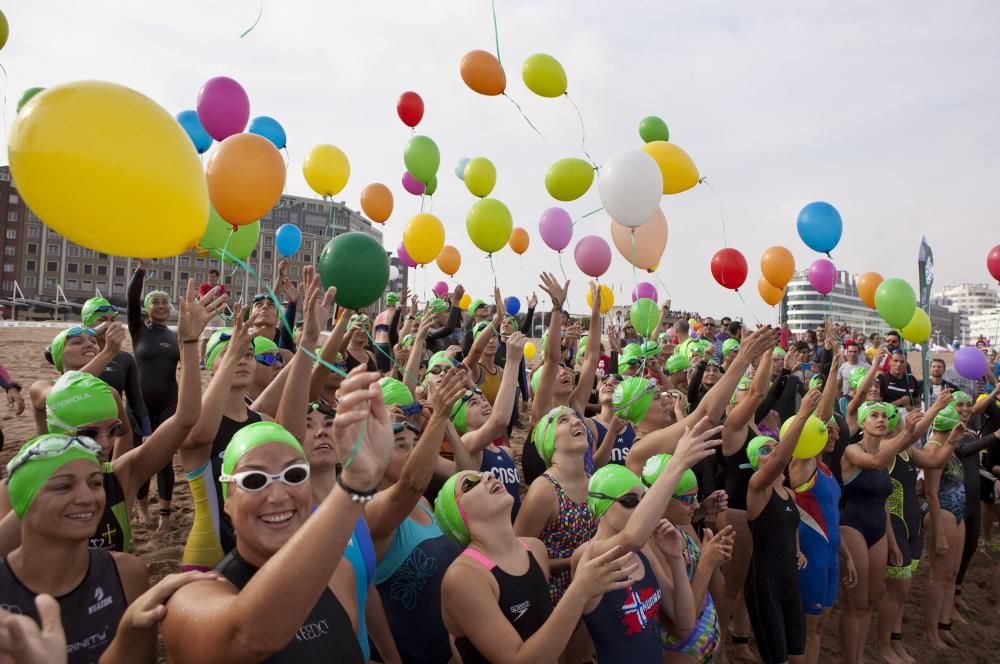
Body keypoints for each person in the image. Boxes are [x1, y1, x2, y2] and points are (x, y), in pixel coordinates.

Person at [162, 364, 396, 663]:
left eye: (294, 475)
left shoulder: (339, 573)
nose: (277, 495)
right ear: (227, 502)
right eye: (254, 480)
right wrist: (355, 485)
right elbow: (250, 637)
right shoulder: (191, 600)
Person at [0, 281, 222, 556]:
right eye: (88, 434)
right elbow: (59, 394)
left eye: (110, 430)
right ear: (58, 357)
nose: (103, 444)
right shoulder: (42, 391)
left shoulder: (117, 473)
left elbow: (183, 418)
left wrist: (189, 343)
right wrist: (106, 352)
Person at [0, 434, 220, 664]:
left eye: (95, 483)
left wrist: (129, 632)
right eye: (63, 486)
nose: (87, 497)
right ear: (23, 501)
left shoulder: (127, 573)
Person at [433, 469, 638, 664]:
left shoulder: (535, 549)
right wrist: (580, 590)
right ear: (458, 516)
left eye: (484, 473)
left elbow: (547, 635)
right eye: (469, 484)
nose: (488, 475)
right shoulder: (465, 577)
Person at [571, 418, 725, 664]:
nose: (641, 509)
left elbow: (684, 623)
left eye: (644, 500)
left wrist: (675, 558)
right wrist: (678, 463)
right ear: (601, 507)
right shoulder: (587, 556)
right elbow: (630, 537)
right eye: (630, 501)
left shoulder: (644, 552)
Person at [364, 367, 467, 664]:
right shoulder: (370, 512)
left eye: (414, 444)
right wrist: (438, 417)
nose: (412, 452)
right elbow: (409, 484)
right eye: (400, 446)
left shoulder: (423, 501)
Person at [838, 401, 921, 664]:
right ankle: (850, 659)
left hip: (878, 529)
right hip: (852, 526)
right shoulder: (852, 450)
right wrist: (907, 435)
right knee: (855, 603)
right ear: (862, 423)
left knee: (871, 600)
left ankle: (859, 657)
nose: (881, 420)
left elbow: (884, 502)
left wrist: (893, 542)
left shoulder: (884, 457)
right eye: (874, 415)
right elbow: (873, 462)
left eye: (885, 416)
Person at [642, 454, 733, 663]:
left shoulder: (682, 525)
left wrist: (715, 562)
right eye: (688, 498)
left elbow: (717, 592)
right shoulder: (649, 544)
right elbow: (680, 625)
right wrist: (706, 563)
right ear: (662, 496)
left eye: (697, 496)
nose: (696, 504)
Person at [126, 265, 187, 532]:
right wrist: (141, 270)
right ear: (148, 308)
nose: (161, 306)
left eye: (165, 302)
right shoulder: (139, 330)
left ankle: (164, 515)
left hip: (168, 405)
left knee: (163, 459)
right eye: (155, 302)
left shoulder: (175, 337)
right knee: (139, 458)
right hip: (139, 405)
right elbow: (131, 298)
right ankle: (142, 509)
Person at [373, 292, 400, 373]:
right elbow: (396, 333)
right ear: (396, 302)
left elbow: (373, 336)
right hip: (387, 347)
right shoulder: (395, 315)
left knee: (379, 374)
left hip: (376, 346)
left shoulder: (378, 316)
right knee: (389, 374)